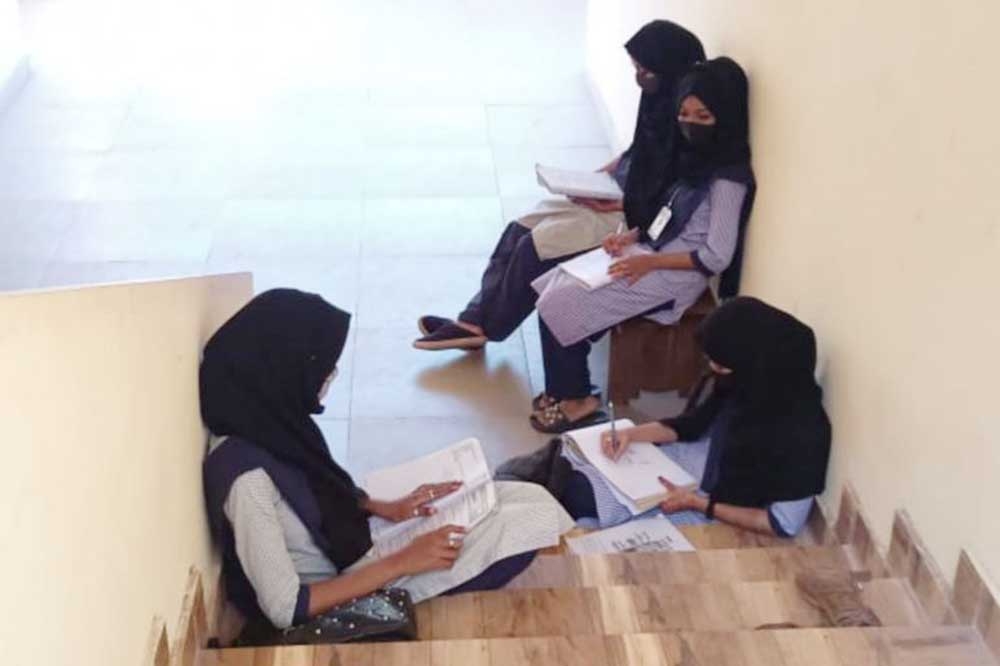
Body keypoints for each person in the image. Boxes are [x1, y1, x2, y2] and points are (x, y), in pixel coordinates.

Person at [201, 289, 572, 644]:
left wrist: (384, 507)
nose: (328, 378)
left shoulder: (266, 418)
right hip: (343, 582)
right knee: (526, 525)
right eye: (322, 368)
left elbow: (311, 487)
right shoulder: (246, 481)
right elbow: (285, 607)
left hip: (352, 540)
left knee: (523, 496)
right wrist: (405, 560)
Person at [413, 20, 705, 352]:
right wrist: (596, 179)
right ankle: (472, 317)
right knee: (519, 228)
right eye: (636, 68)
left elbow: (675, 198)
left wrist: (619, 203)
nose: (639, 76)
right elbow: (635, 151)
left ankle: (485, 328)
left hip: (634, 218)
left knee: (536, 245)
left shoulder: (687, 120)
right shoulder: (658, 98)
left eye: (644, 69)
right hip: (614, 194)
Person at [529, 57, 756, 432]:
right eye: (684, 113)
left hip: (676, 273)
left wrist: (647, 263)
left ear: (726, 116)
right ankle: (567, 385)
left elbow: (717, 255)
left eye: (703, 116)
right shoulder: (694, 160)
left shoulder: (728, 180)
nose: (690, 125)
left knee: (562, 301)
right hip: (651, 255)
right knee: (556, 283)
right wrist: (631, 237)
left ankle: (577, 399)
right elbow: (668, 214)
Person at [554, 297, 832, 539]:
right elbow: (691, 425)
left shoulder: (803, 433)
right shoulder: (751, 383)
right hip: (677, 467)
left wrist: (697, 504)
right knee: (564, 466)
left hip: (709, 502)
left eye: (721, 364)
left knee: (576, 498)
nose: (713, 369)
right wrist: (631, 434)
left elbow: (783, 523)